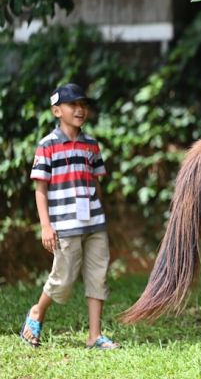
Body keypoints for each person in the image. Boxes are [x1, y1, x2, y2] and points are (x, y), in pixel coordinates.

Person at [20, 83, 120, 350]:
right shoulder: (47, 146)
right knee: (63, 278)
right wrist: (46, 226)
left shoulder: (91, 145)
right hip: (64, 225)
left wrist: (100, 211)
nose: (80, 109)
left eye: (83, 105)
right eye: (73, 105)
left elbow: (96, 182)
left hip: (94, 223)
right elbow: (40, 190)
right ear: (56, 110)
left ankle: (94, 335)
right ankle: (37, 313)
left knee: (98, 276)